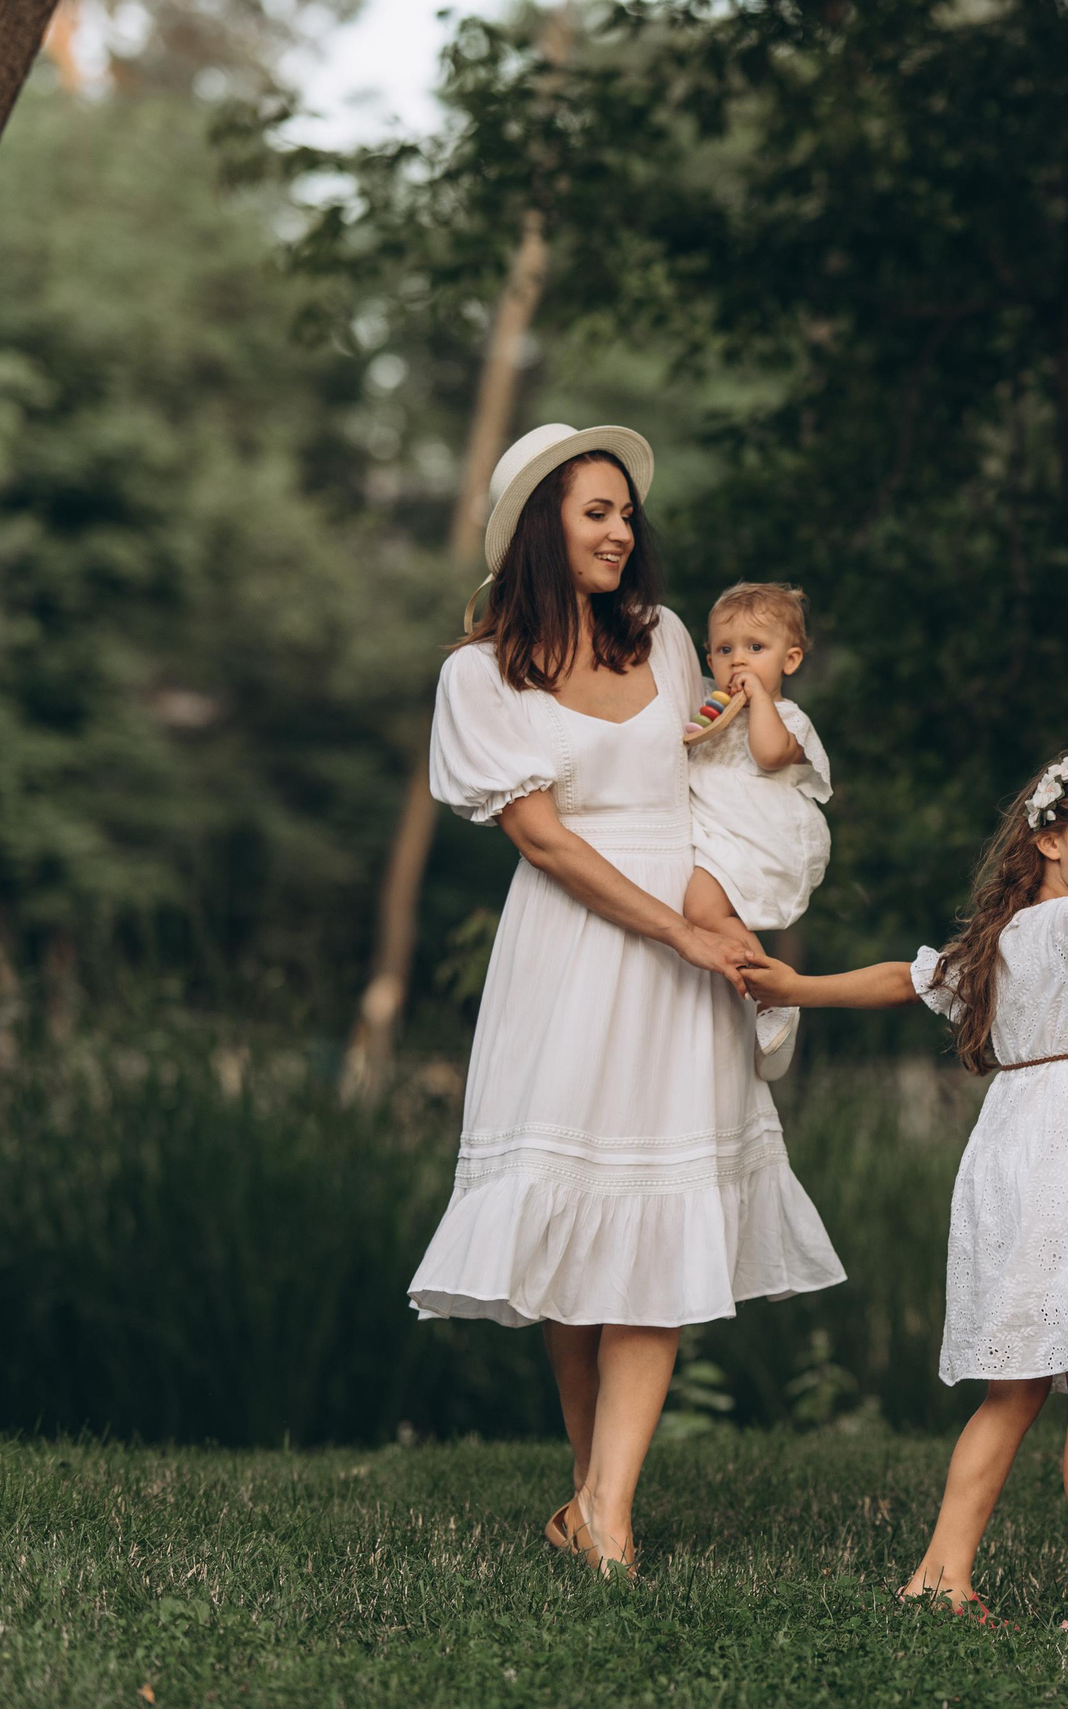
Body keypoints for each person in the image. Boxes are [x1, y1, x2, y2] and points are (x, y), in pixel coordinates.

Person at [406, 422, 846, 1581]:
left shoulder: (663, 640)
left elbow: (724, 780)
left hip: (690, 938)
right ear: (541, 525)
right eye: (595, 510)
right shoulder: (479, 673)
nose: (620, 530)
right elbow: (542, 842)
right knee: (574, 1218)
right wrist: (676, 930)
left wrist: (735, 907)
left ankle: (609, 1511)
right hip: (576, 947)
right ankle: (588, 1490)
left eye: (625, 512)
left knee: (659, 1214)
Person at [743, 749, 1068, 1628]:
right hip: (1062, 1147)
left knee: (1020, 1386)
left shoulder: (1006, 938)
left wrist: (798, 985)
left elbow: (903, 978)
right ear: (1047, 839)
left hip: (1017, 1145)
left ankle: (940, 1575)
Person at [681, 581, 833, 1081]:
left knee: (701, 909)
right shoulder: (712, 708)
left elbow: (769, 754)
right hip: (718, 831)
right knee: (699, 910)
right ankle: (765, 991)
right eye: (725, 650)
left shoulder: (788, 718)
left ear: (789, 661)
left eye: (755, 649)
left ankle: (776, 993)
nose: (738, 661)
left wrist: (758, 699)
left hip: (763, 837)